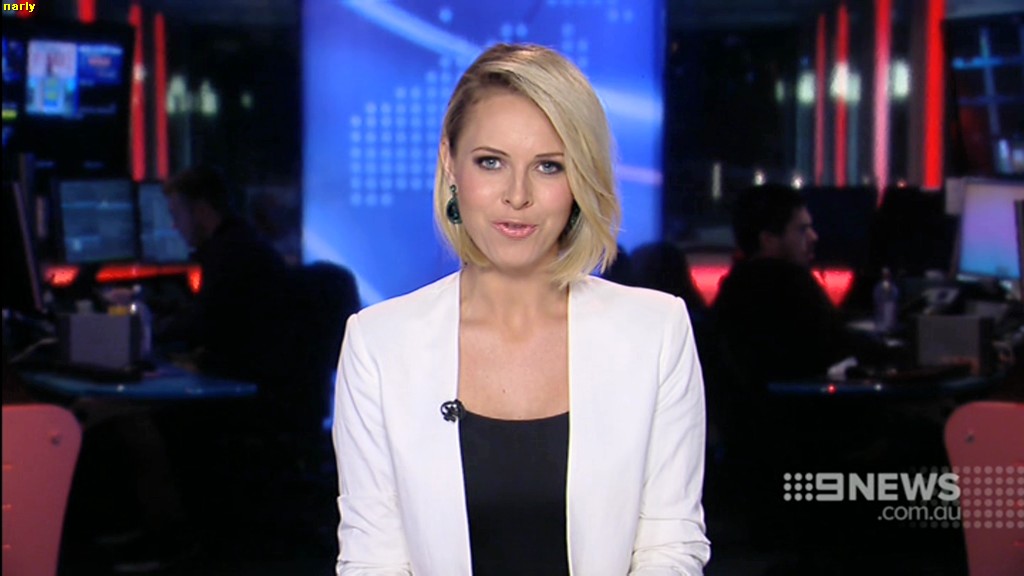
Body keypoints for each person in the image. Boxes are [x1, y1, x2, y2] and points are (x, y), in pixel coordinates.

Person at [333, 44, 709, 575]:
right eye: (491, 162)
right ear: (450, 164)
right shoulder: (378, 344)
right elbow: (373, 560)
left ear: (580, 179)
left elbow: (670, 546)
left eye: (549, 167)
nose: (517, 195)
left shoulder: (656, 332)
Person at [158, 165, 292, 386]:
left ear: (200, 211)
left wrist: (147, 328)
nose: (174, 226)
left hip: (243, 389)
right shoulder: (244, 243)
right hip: (263, 383)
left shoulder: (229, 256)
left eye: (177, 215)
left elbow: (202, 325)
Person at [711, 183, 850, 386]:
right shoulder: (791, 284)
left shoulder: (733, 288)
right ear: (768, 239)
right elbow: (838, 345)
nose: (813, 237)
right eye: (802, 230)